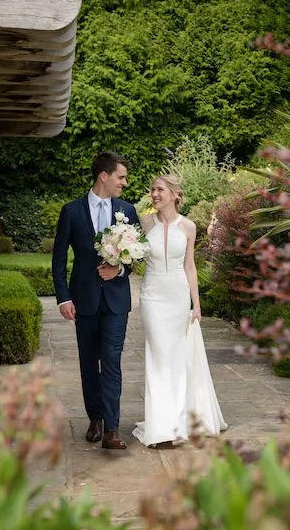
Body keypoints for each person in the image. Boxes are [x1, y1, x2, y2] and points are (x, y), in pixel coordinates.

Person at [52, 151, 140, 450]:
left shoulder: (127, 210)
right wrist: (63, 298)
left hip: (116, 300)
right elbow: (59, 258)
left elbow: (137, 256)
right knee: (89, 362)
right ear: (104, 176)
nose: (124, 183)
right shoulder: (72, 211)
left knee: (112, 361)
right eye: (121, 177)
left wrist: (119, 269)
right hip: (84, 299)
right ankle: (95, 419)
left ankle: (112, 429)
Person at [132, 175, 227, 447]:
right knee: (158, 356)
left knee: (175, 358)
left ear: (175, 194)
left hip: (177, 296)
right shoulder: (144, 221)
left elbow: (189, 267)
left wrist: (196, 303)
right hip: (151, 296)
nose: (154, 194)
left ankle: (176, 420)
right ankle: (161, 425)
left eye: (159, 189)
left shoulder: (188, 227)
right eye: (152, 190)